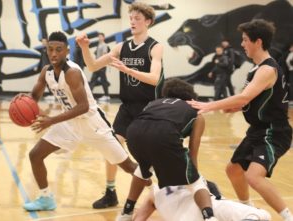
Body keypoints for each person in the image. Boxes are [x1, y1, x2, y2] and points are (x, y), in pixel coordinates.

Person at [20, 31, 147, 211]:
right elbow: (33, 97)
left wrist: (51, 120)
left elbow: (83, 106)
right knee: (35, 155)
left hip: (92, 123)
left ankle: (162, 190)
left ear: (67, 51)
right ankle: (46, 198)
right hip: (69, 123)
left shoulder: (71, 72)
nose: (54, 53)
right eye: (50, 49)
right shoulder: (46, 72)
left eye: (59, 49)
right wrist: (22, 100)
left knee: (128, 166)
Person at [187, 19, 293, 221]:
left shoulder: (267, 69)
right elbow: (248, 100)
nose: (242, 44)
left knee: (253, 176)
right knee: (233, 169)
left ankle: (289, 217)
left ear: (258, 42)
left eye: (245, 40)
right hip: (258, 130)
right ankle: (247, 208)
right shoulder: (256, 69)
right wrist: (233, 107)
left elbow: (244, 97)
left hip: (274, 132)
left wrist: (208, 105)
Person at [76, 1, 164, 213]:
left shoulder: (155, 46)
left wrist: (128, 70)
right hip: (127, 107)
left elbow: (154, 79)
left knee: (151, 155)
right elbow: (93, 66)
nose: (132, 22)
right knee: (112, 146)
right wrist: (85, 48)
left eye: (137, 19)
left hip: (148, 107)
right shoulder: (121, 47)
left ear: (148, 22)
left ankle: (164, 193)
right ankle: (110, 192)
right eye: (131, 18)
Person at [119, 78, 218, 221]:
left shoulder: (154, 103)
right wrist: (191, 174)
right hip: (162, 135)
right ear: (191, 96)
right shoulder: (195, 112)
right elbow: (193, 151)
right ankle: (209, 217)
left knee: (143, 168)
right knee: (197, 183)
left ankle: (126, 213)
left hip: (134, 134)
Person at [134, 182, 271, 221]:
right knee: (262, 215)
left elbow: (139, 218)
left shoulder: (153, 193)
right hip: (211, 205)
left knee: (262, 215)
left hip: (207, 207)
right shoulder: (194, 177)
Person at [89, 32, 111, 102]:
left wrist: (101, 63)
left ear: (103, 38)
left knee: (101, 80)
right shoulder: (99, 45)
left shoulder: (104, 45)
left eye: (101, 36)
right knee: (94, 80)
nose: (99, 38)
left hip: (101, 65)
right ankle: (89, 95)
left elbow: (104, 54)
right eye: (98, 37)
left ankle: (106, 96)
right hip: (97, 65)